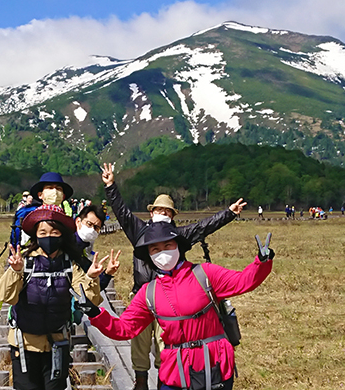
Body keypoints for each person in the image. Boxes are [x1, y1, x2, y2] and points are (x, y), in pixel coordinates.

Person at [75, 222, 274, 390]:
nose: (162, 252)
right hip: (175, 371)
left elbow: (243, 281)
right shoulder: (148, 292)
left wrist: (262, 262)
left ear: (178, 246)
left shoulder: (206, 274)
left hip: (215, 364)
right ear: (149, 256)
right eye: (155, 249)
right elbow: (125, 328)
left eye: (167, 245)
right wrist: (95, 313)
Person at [100, 163, 247, 390]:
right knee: (139, 339)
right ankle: (140, 380)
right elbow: (122, 213)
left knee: (164, 343)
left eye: (167, 212)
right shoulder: (139, 231)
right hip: (143, 294)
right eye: (159, 211)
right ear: (151, 212)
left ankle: (165, 378)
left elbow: (203, 227)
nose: (163, 214)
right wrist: (110, 186)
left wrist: (228, 214)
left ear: (172, 215)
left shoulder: (179, 235)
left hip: (170, 300)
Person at [0, 204, 108, 390]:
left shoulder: (69, 263)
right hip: (25, 345)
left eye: (54, 233)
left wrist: (92, 277)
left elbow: (90, 300)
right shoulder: (25, 260)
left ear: (62, 234)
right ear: (35, 235)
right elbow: (6, 297)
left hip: (57, 343)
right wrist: (15, 271)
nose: (48, 237)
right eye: (43, 232)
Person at [74, 204, 120, 290]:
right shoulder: (68, 246)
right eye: (89, 224)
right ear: (78, 222)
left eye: (96, 227)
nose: (92, 229)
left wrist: (107, 273)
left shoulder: (83, 252)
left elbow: (94, 288)